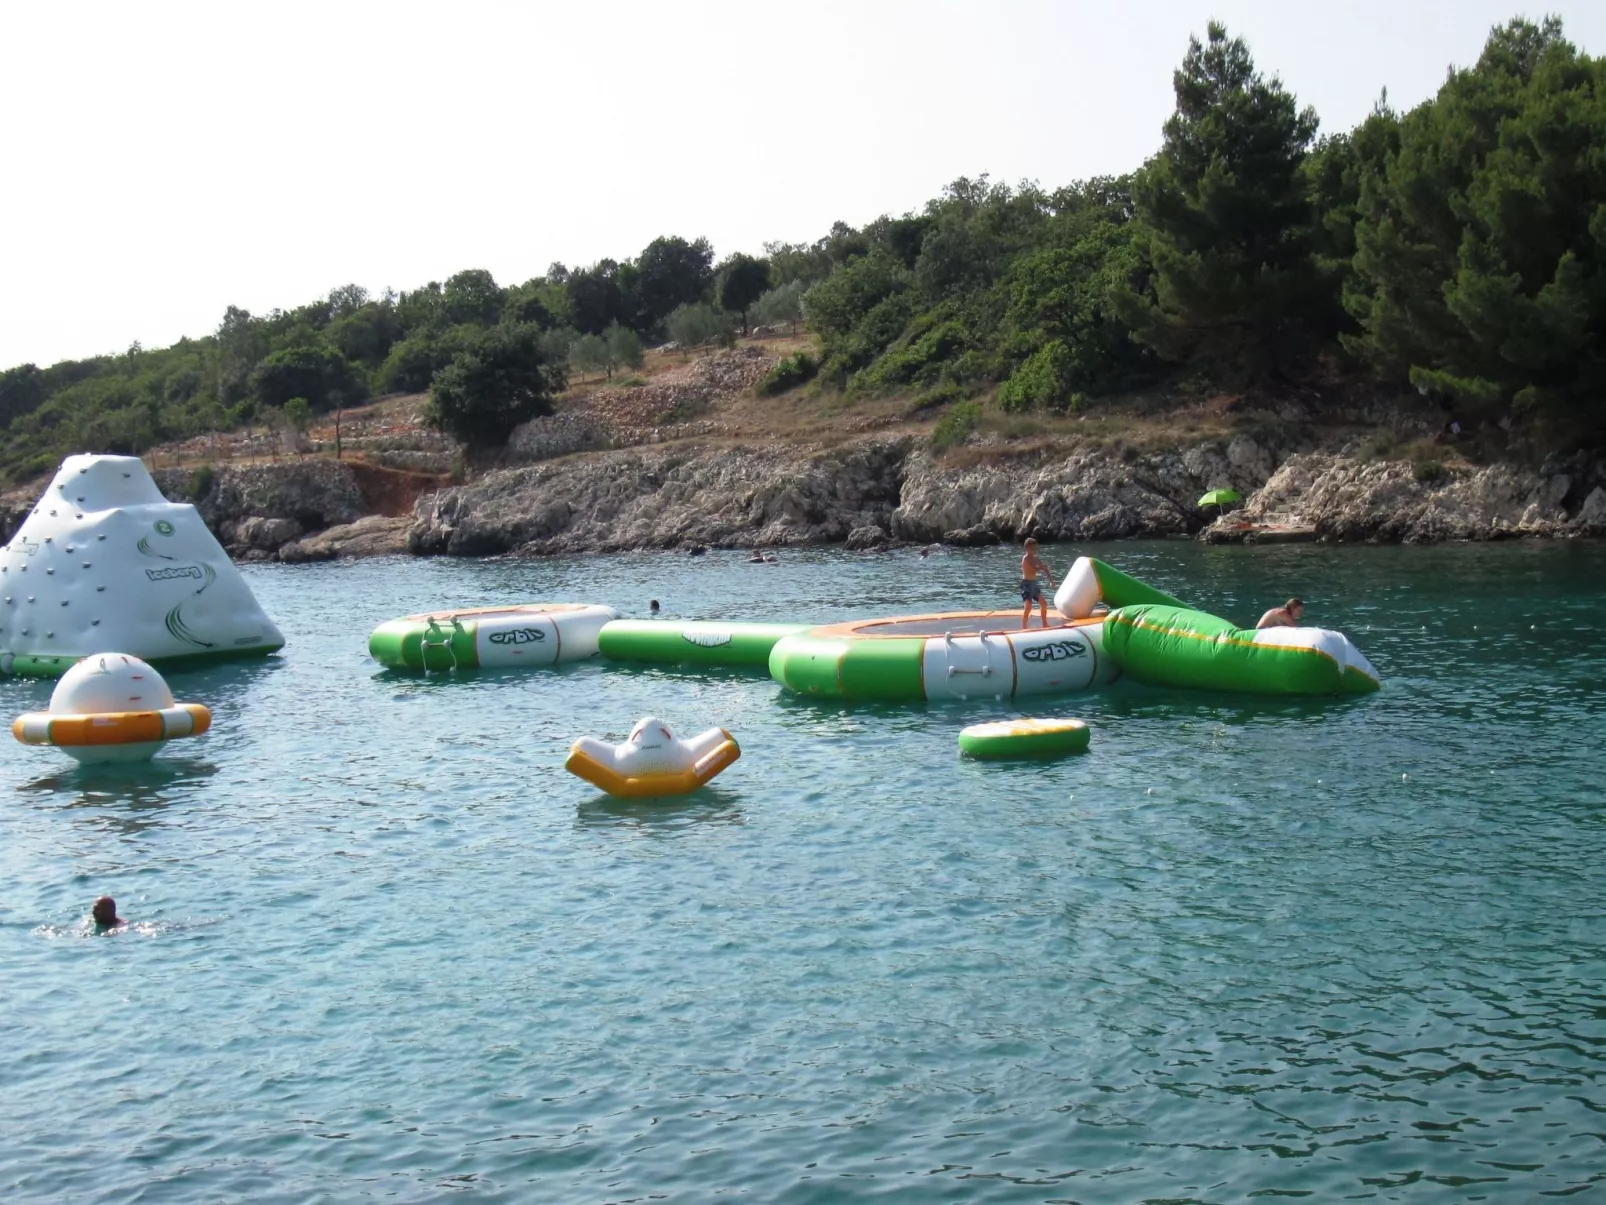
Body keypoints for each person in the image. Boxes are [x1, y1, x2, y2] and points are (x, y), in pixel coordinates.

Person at [1019, 537, 1056, 629]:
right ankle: (1024, 627)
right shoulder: (1026, 558)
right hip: (1026, 584)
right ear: (1027, 548)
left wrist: (1051, 581)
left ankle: (1044, 624)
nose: (1035, 550)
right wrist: (1041, 567)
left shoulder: (1035, 558)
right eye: (1033, 548)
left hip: (1034, 584)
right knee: (1028, 607)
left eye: (1036, 548)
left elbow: (1045, 569)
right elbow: (1034, 568)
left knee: (1043, 604)